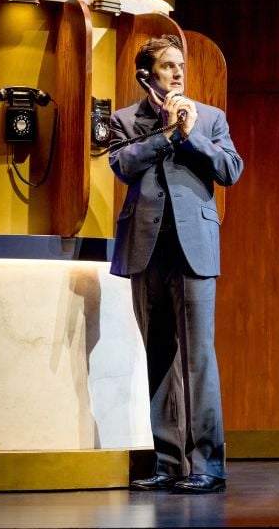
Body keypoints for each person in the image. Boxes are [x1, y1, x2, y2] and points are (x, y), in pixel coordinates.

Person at [109, 34, 244, 494]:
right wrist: (166, 134)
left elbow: (230, 169)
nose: (179, 73)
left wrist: (188, 135)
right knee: (158, 356)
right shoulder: (125, 119)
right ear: (146, 75)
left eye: (181, 65)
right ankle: (168, 463)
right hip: (146, 248)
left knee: (198, 357)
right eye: (168, 66)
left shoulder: (210, 118)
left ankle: (210, 465)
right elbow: (123, 165)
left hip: (195, 248)